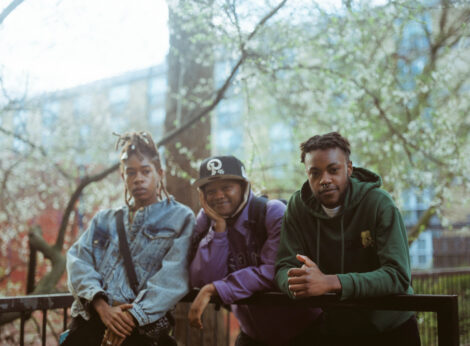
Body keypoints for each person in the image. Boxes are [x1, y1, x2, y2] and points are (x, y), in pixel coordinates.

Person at [275, 132, 420, 346]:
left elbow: (398, 275)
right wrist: (298, 283)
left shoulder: (379, 203)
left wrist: (330, 282)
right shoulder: (297, 206)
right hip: (335, 329)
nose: (325, 180)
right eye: (315, 173)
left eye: (333, 170)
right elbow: (283, 267)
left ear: (349, 169)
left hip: (390, 328)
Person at [64, 131, 195, 346]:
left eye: (146, 171)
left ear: (159, 173)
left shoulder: (180, 218)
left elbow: (175, 275)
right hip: (92, 324)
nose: (139, 179)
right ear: (123, 176)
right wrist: (102, 307)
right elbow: (78, 260)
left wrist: (132, 317)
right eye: (131, 173)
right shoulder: (104, 220)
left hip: (140, 331)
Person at [188, 155, 320, 346]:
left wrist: (215, 288)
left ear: (243, 187)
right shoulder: (208, 220)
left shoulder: (272, 212)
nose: (218, 196)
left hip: (303, 333)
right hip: (253, 336)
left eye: (226, 188)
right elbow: (204, 279)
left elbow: (272, 271)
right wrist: (219, 229)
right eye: (210, 191)